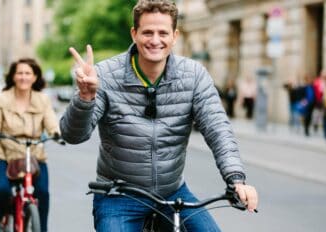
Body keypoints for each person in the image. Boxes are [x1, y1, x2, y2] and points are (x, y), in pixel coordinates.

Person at [60, 1, 258, 231]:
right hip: (119, 195)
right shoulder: (103, 75)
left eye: (163, 32)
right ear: (134, 34)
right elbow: (73, 136)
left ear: (174, 36)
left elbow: (218, 129)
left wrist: (236, 179)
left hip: (172, 192)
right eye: (147, 32)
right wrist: (85, 98)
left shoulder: (193, 76)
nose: (155, 40)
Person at [0, 58, 60, 232]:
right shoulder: (1, 98)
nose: (23, 77)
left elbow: (52, 123)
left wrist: (57, 133)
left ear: (35, 77)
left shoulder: (43, 100)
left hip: (34, 156)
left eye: (27, 73)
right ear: (13, 76)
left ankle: (41, 229)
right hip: (5, 154)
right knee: (0, 190)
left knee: (43, 193)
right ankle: (0, 219)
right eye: (19, 73)